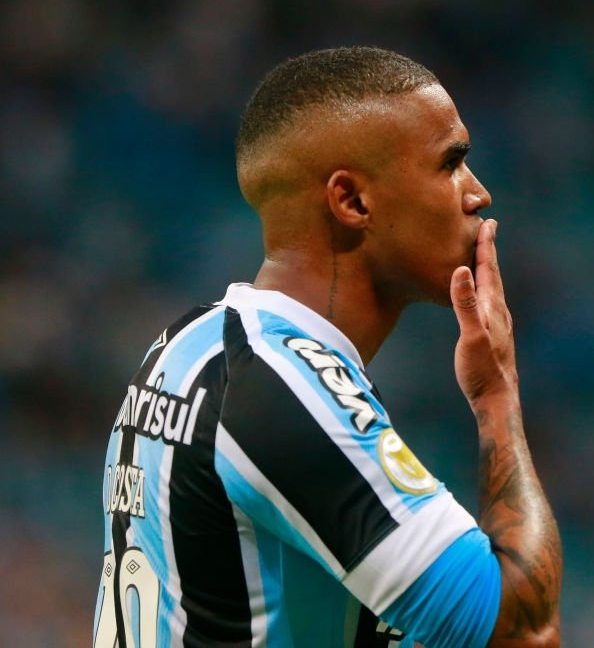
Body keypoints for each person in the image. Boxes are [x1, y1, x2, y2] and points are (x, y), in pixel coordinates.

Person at [94, 46, 562, 648]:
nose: (479, 193)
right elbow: (522, 630)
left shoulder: (187, 347)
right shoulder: (280, 386)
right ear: (352, 202)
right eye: (451, 164)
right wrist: (498, 396)